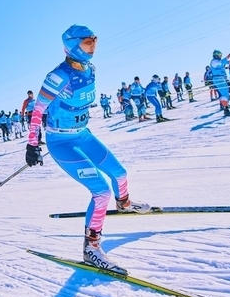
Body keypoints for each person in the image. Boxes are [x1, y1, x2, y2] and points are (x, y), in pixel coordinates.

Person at [25, 25, 150, 274]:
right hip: (61, 142)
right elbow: (37, 110)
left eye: (94, 40)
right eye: (87, 42)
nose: (93, 45)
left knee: (120, 174)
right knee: (101, 191)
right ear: (72, 44)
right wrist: (32, 144)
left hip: (83, 135)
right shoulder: (58, 76)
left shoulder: (90, 69)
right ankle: (91, 248)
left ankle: (124, 204)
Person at [209, 50, 230, 116]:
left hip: (221, 78)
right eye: (219, 55)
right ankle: (226, 109)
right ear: (216, 55)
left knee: (225, 93)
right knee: (225, 94)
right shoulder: (214, 61)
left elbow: (226, 63)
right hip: (218, 79)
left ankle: (226, 108)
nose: (220, 56)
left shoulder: (217, 62)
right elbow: (222, 62)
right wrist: (229, 55)